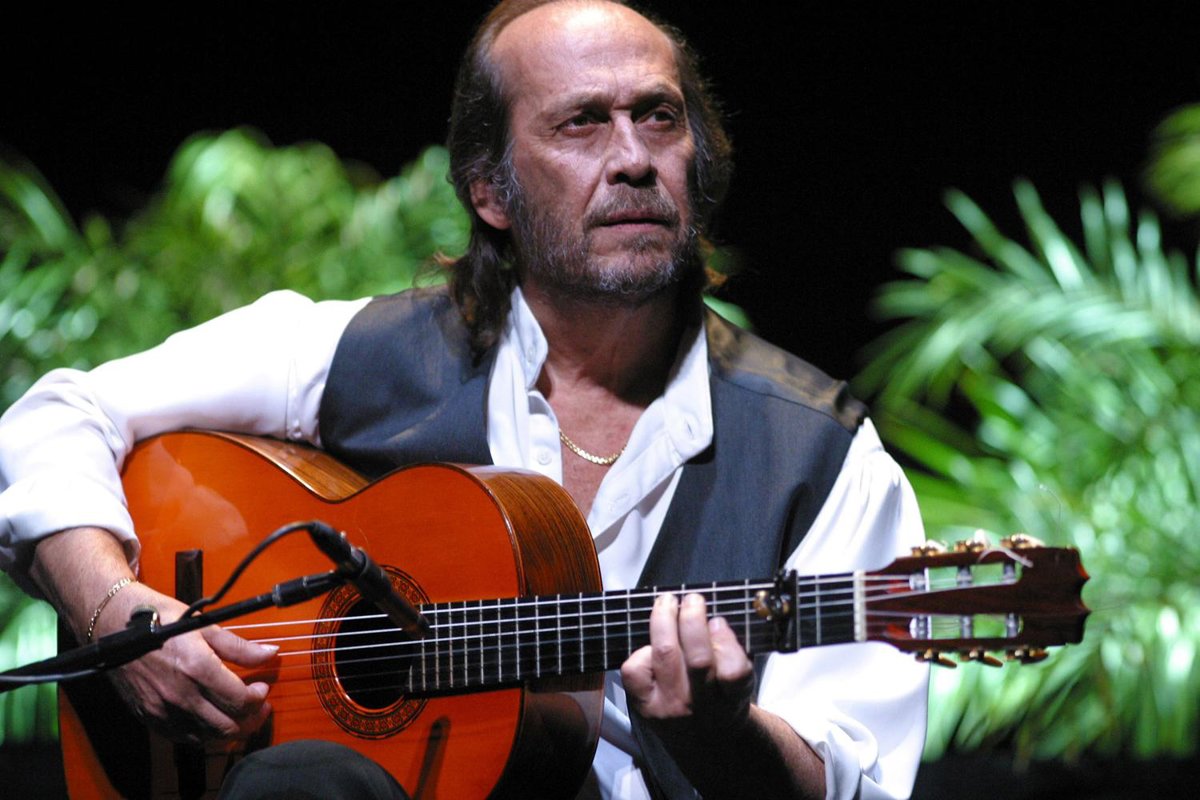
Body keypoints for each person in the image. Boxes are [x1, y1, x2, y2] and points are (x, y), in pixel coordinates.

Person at [0, 1, 928, 798]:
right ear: (491, 191)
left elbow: (853, 777)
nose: (633, 158)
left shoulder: (818, 455)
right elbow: (56, 415)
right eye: (582, 124)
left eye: (659, 118)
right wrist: (119, 621)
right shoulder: (362, 354)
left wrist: (722, 738)